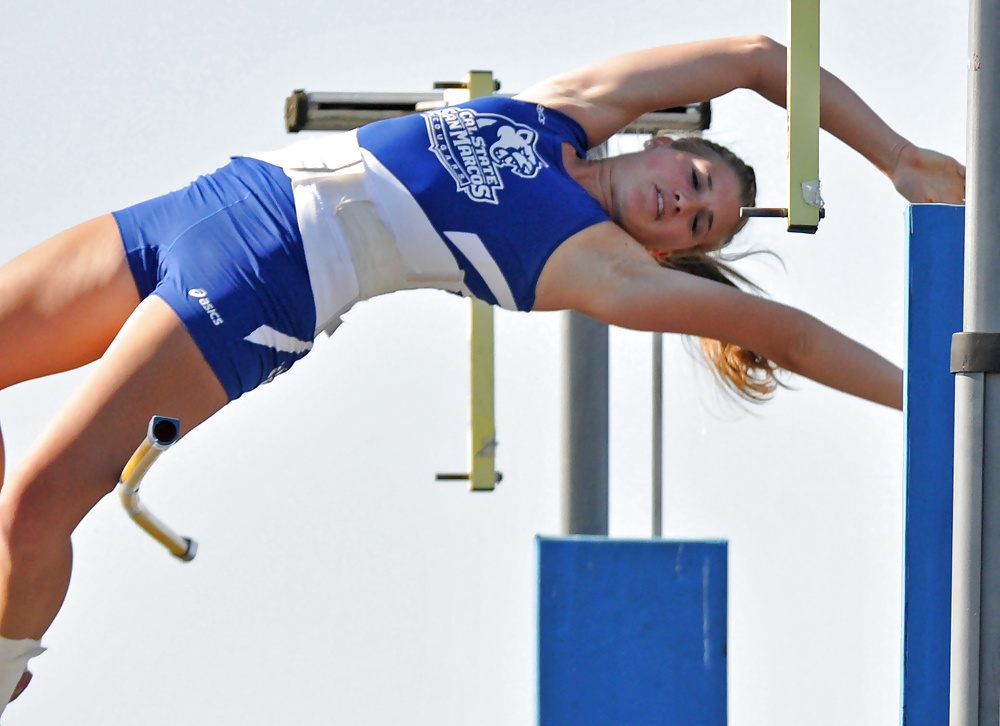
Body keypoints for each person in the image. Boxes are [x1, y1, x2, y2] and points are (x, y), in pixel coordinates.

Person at [0, 35, 965, 712]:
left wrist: (942, 407)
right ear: (665, 141)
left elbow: (788, 335)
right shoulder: (562, 112)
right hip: (217, 199)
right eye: (702, 182)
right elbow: (758, 56)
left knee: (34, 508)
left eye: (698, 225)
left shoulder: (601, 269)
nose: (687, 205)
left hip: (265, 280)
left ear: (672, 252)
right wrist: (898, 158)